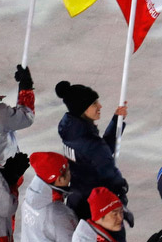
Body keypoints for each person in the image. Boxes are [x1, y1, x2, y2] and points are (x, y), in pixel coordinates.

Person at [54, 79, 127, 220]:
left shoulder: (72, 132)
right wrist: (121, 192)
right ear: (83, 109)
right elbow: (109, 172)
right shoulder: (89, 142)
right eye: (94, 104)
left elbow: (100, 150)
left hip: (75, 200)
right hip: (93, 209)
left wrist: (116, 121)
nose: (100, 106)